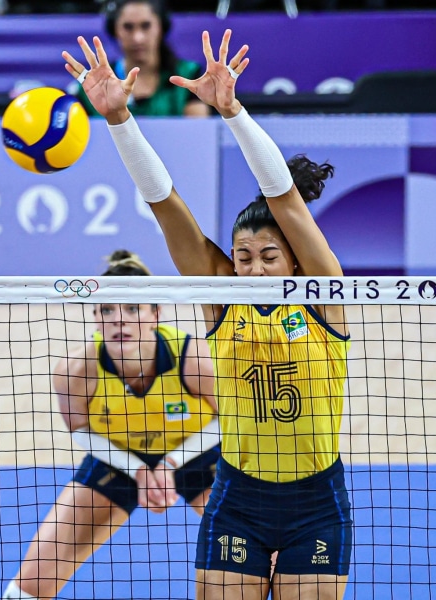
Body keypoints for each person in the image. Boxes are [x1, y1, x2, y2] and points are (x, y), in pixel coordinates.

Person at [64, 30, 352, 600]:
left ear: (296, 264)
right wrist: (120, 120)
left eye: (269, 258)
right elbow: (165, 204)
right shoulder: (223, 298)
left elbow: (286, 200)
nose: (253, 271)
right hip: (237, 500)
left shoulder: (324, 299)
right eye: (242, 257)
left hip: (316, 504)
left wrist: (232, 111)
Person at [2, 250, 220, 600]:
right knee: (31, 581)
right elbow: (81, 431)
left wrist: (169, 463)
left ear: (155, 314)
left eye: (133, 309)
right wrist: (137, 469)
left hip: (198, 452)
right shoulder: (74, 371)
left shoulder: (195, 359)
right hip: (117, 457)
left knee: (252, 556)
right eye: (108, 310)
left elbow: (231, 421)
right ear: (96, 318)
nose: (120, 320)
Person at [74, 0, 210, 118]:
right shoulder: (95, 84)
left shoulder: (190, 76)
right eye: (128, 27)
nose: (137, 38)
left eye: (146, 26)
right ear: (114, 30)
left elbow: (197, 137)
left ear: (161, 27)